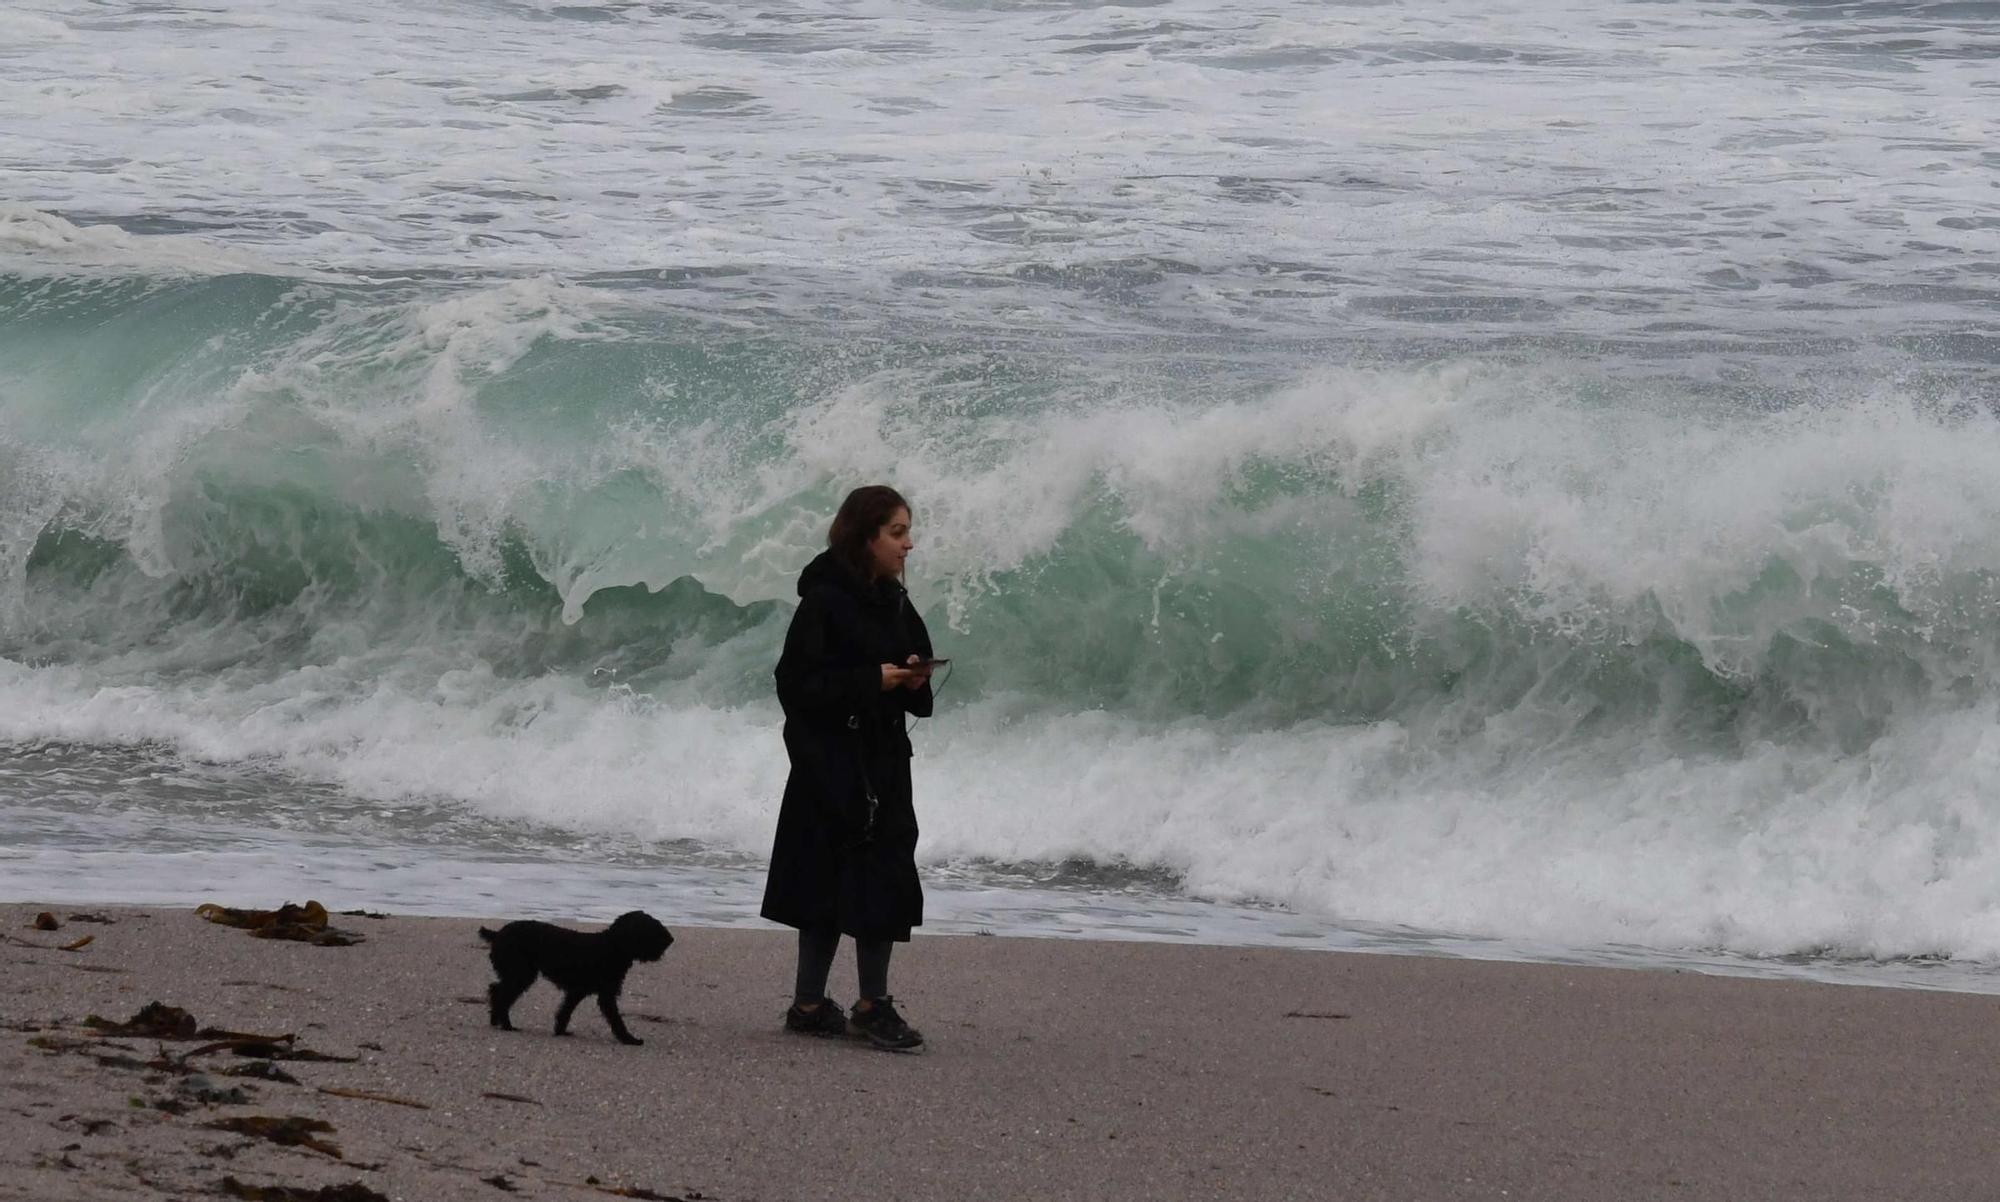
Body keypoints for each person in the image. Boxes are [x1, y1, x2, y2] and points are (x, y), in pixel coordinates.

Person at [760, 484, 937, 1051]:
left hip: (883, 759)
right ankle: (811, 1004)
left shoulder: (896, 600)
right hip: (830, 762)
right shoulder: (824, 602)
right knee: (824, 878)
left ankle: (869, 1002)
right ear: (866, 537)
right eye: (897, 532)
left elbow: (913, 678)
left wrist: (914, 677)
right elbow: (796, 686)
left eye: (908, 531)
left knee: (883, 874)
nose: (909, 544)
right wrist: (871, 681)